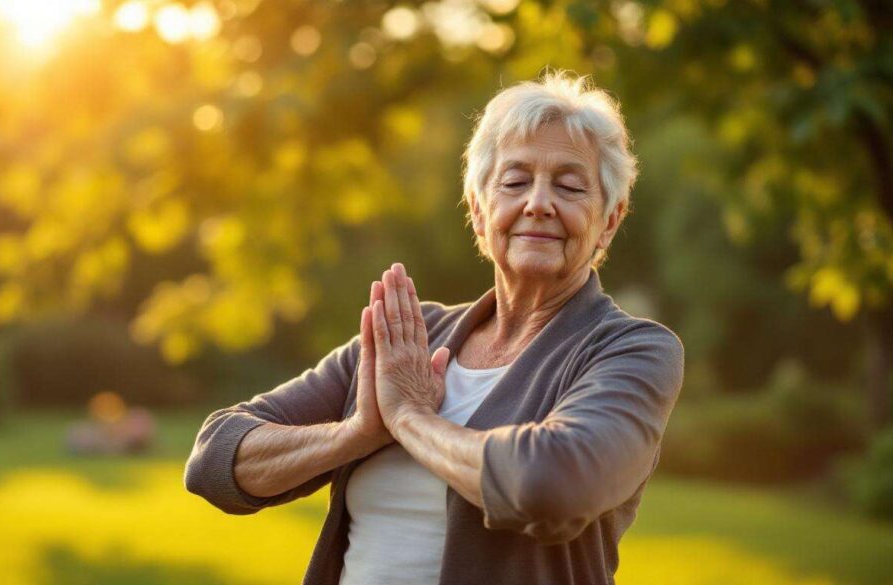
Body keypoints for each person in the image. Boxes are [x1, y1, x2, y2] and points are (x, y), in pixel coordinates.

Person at [184, 70, 685, 585]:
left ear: (610, 219)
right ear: (478, 209)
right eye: (514, 182)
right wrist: (356, 434)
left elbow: (551, 484)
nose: (538, 202)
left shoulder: (632, 350)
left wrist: (410, 421)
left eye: (570, 185)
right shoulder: (408, 337)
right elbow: (215, 460)